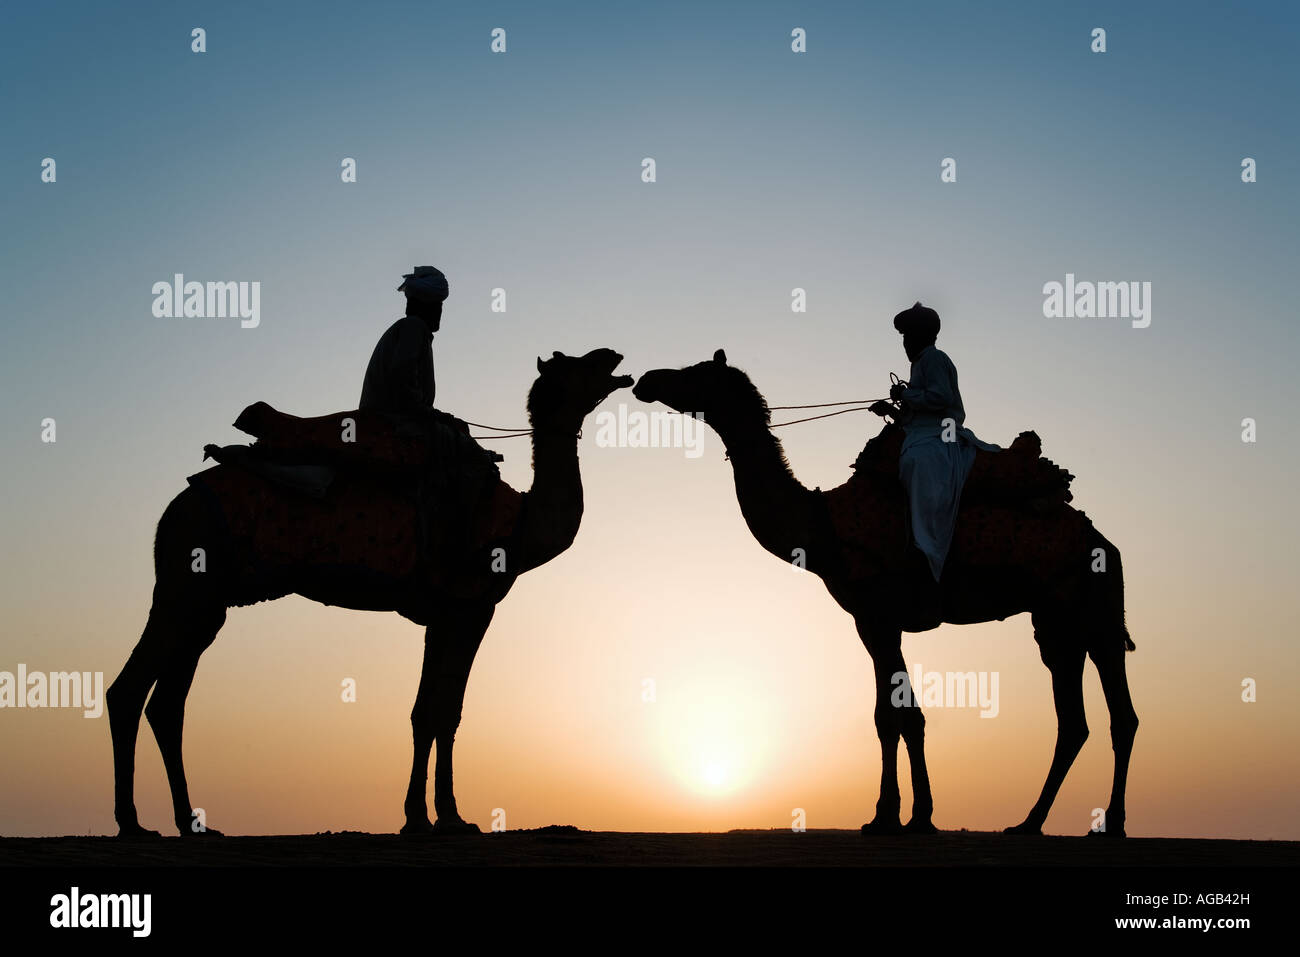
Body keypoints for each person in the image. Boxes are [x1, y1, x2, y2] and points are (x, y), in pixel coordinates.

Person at [360, 265, 502, 558]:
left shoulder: (407, 331)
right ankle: (461, 545)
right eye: (437, 306)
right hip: (395, 423)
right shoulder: (414, 329)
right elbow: (402, 380)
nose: (440, 313)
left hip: (394, 418)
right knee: (474, 460)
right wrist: (430, 414)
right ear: (426, 305)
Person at [870, 303, 998, 588]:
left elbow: (940, 397)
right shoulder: (919, 365)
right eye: (903, 337)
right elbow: (917, 412)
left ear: (922, 336)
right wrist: (891, 411)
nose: (904, 342)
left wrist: (907, 394)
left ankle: (927, 550)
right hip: (921, 433)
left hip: (940, 436)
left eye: (908, 335)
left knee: (918, 463)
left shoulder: (935, 359)